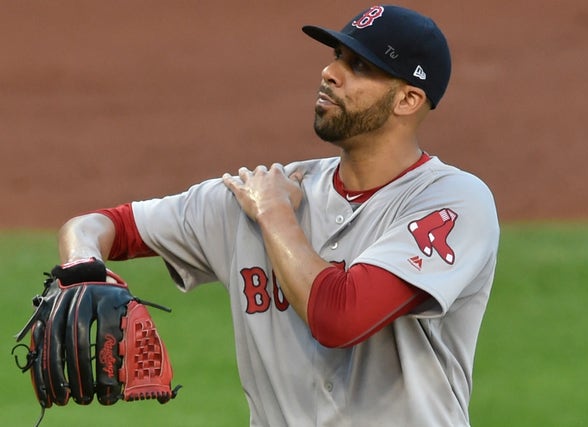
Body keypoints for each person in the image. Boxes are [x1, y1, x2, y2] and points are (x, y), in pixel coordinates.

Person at [55, 5, 499, 426]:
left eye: (360, 67)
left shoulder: (452, 203)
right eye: (337, 56)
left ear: (407, 99)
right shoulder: (262, 192)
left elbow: (339, 317)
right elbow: (107, 224)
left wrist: (272, 213)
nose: (330, 73)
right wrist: (81, 264)